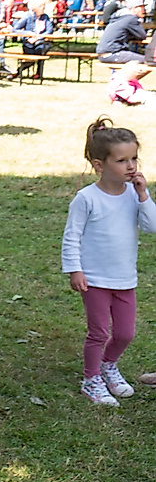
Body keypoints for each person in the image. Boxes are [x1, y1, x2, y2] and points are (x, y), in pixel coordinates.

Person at [63, 117, 156, 405]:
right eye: (122, 160)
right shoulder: (86, 198)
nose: (131, 166)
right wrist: (75, 270)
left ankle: (109, 365)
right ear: (99, 165)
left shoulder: (134, 194)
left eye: (134, 158)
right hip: (95, 279)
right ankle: (91, 380)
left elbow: (152, 226)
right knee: (99, 332)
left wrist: (143, 195)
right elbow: (71, 237)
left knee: (126, 333)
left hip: (124, 279)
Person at [96, 0, 148, 71]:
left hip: (103, 54)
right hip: (113, 54)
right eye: (141, 8)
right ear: (134, 8)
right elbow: (142, 36)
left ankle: (127, 80)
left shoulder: (119, 17)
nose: (143, 10)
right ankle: (127, 81)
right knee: (149, 60)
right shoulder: (131, 19)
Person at [12, 0, 53, 79]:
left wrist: (38, 37)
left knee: (42, 49)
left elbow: (49, 30)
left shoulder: (45, 17)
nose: (43, 8)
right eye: (41, 6)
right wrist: (27, 33)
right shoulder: (28, 16)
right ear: (35, 7)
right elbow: (15, 29)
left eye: (44, 6)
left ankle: (38, 73)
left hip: (40, 42)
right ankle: (19, 71)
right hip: (29, 43)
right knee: (32, 56)